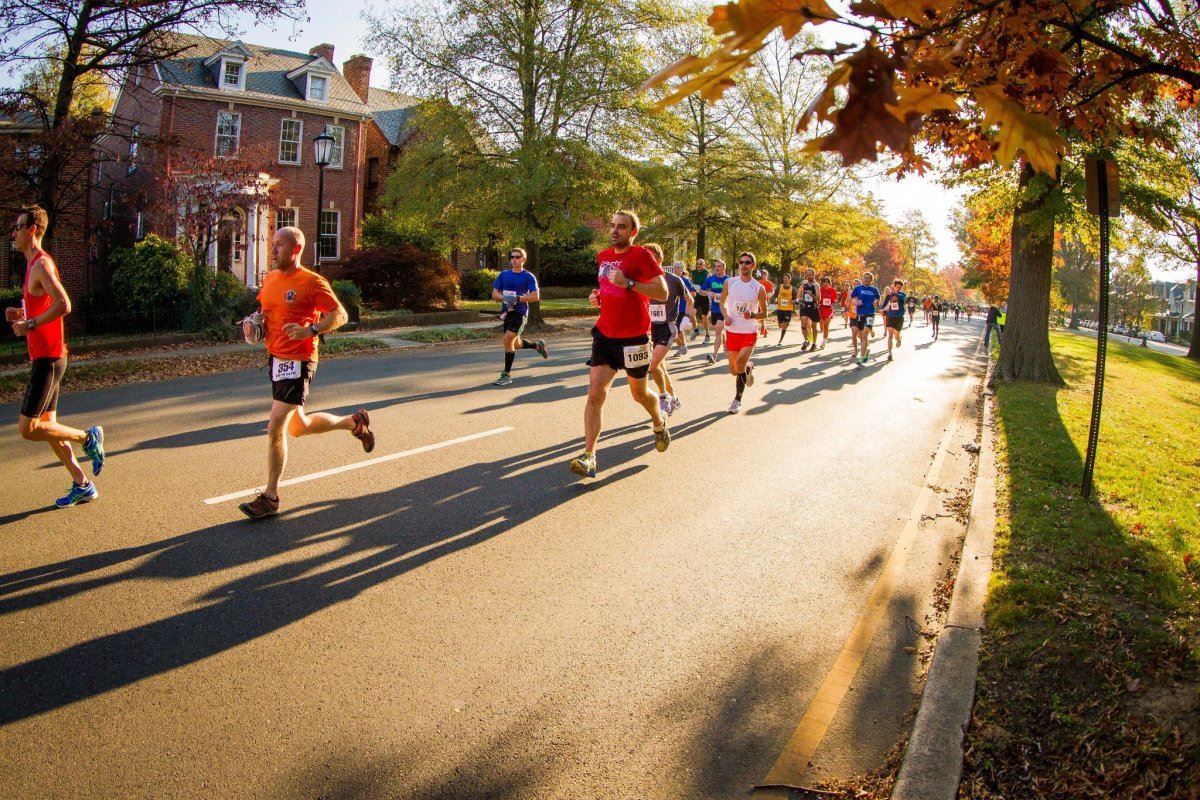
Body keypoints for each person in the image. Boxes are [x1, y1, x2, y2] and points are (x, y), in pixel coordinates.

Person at [237, 226, 376, 519]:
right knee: (297, 427)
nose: (273, 250)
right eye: (272, 244)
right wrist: (255, 323)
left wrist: (309, 329)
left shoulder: (312, 282)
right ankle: (355, 423)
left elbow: (340, 315)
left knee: (275, 426)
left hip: (299, 360)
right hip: (276, 358)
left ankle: (271, 496)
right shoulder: (271, 279)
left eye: (279, 245)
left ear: (296, 249)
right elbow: (267, 311)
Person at [7, 205, 105, 508]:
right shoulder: (31, 266)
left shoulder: (41, 264)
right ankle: (83, 484)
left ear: (32, 230)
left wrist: (31, 324)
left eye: (19, 227)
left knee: (29, 428)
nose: (14, 232)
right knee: (50, 429)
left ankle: (88, 438)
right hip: (47, 355)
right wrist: (22, 314)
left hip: (48, 359)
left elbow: (64, 304)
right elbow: (43, 305)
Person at [569, 211, 670, 478]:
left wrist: (630, 283)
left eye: (621, 227)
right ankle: (590, 456)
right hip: (605, 335)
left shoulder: (641, 256)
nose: (615, 231)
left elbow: (662, 292)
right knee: (595, 395)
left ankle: (658, 422)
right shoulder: (603, 256)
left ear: (633, 232)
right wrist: (597, 297)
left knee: (639, 394)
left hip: (634, 338)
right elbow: (607, 288)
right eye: (612, 226)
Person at [645, 245, 692, 416]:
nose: (646, 260)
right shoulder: (643, 280)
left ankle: (664, 398)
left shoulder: (673, 279)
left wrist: (686, 317)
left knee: (653, 365)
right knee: (661, 370)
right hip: (651, 328)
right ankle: (674, 398)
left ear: (659, 259)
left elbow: (689, 299)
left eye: (650, 256)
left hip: (668, 327)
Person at [491, 247, 548, 386]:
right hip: (507, 313)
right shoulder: (504, 275)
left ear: (523, 259)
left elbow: (535, 296)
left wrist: (518, 299)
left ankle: (506, 375)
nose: (514, 259)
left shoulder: (528, 276)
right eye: (512, 257)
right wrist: (504, 297)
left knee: (507, 339)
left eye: (517, 257)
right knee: (514, 343)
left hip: (520, 313)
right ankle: (537, 346)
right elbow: (494, 294)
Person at [721, 252, 767, 413]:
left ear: (753, 265)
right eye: (741, 262)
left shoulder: (758, 288)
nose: (744, 265)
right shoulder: (730, 282)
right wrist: (726, 316)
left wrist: (753, 315)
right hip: (732, 330)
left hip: (749, 331)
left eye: (747, 262)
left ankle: (737, 400)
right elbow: (722, 303)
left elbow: (765, 314)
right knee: (735, 370)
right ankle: (748, 368)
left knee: (738, 364)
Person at [702, 260, 730, 364]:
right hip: (714, 309)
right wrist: (707, 293)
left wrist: (726, 296)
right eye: (715, 266)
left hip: (724, 310)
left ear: (724, 268)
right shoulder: (710, 279)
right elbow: (701, 290)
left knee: (718, 331)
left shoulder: (728, 280)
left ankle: (714, 355)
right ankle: (725, 344)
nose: (716, 268)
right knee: (719, 331)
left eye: (719, 266)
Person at [850, 271, 881, 366]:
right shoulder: (858, 288)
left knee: (864, 335)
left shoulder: (874, 290)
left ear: (871, 280)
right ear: (862, 279)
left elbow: (878, 300)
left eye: (869, 278)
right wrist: (855, 303)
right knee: (861, 335)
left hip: (870, 314)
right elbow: (851, 298)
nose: (866, 279)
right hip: (860, 314)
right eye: (865, 277)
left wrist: (876, 303)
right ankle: (866, 350)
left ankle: (861, 357)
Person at [672, 261, 697, 356]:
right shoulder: (671, 279)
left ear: (682, 270)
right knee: (674, 329)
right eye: (675, 267)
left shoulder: (685, 280)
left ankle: (683, 346)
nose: (676, 269)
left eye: (678, 267)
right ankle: (681, 346)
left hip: (682, 308)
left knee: (677, 328)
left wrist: (683, 295)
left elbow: (694, 293)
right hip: (672, 308)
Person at [881, 278, 907, 361]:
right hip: (891, 317)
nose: (899, 288)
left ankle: (899, 338)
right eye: (897, 287)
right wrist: (883, 310)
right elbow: (884, 306)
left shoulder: (902, 295)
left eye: (900, 287)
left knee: (896, 336)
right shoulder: (889, 296)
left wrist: (894, 293)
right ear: (894, 286)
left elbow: (899, 297)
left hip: (899, 318)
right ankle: (890, 353)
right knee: (890, 336)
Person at [798, 268, 821, 351]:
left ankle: (814, 343)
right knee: (803, 324)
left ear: (814, 275)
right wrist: (799, 299)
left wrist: (812, 295)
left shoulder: (816, 285)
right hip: (804, 306)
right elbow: (800, 293)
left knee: (813, 326)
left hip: (813, 307)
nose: (808, 276)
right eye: (807, 275)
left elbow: (819, 299)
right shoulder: (804, 283)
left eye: (810, 275)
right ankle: (806, 340)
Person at [771, 271, 796, 345]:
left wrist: (794, 301)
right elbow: (774, 295)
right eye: (784, 278)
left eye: (786, 278)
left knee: (784, 326)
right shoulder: (780, 287)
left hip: (788, 310)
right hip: (780, 309)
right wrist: (775, 300)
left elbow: (795, 299)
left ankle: (781, 340)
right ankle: (785, 324)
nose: (784, 279)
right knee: (780, 325)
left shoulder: (792, 289)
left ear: (789, 279)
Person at [689, 259, 711, 343]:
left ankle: (707, 335)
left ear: (704, 265)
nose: (699, 265)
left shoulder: (707, 273)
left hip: (705, 297)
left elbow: (710, 286)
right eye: (697, 264)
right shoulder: (693, 272)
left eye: (701, 264)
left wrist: (703, 290)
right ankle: (696, 330)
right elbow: (691, 283)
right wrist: (694, 287)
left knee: (704, 318)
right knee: (691, 314)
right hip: (697, 297)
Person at [818, 276, 838, 348]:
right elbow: (817, 298)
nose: (826, 283)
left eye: (827, 282)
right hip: (821, 309)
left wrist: (830, 298)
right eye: (824, 282)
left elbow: (835, 300)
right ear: (822, 283)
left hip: (828, 309)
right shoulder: (820, 290)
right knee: (821, 326)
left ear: (830, 283)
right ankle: (825, 333)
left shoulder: (832, 290)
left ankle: (823, 343)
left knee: (826, 326)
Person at [757, 269, 774, 337]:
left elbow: (772, 291)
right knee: (758, 314)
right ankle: (764, 329)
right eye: (762, 274)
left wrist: (770, 294)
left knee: (763, 314)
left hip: (765, 301)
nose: (763, 275)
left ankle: (763, 328)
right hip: (757, 301)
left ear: (767, 275)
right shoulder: (758, 282)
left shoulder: (769, 283)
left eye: (764, 274)